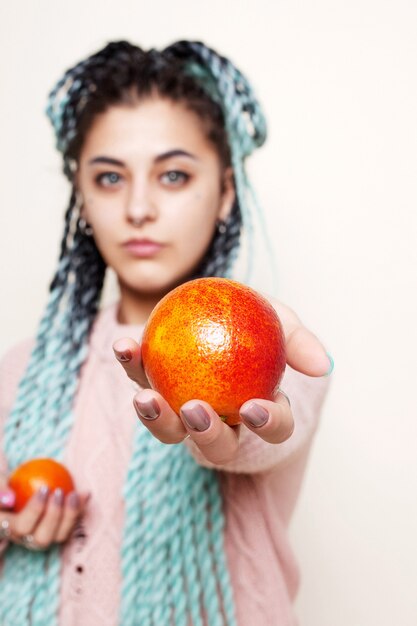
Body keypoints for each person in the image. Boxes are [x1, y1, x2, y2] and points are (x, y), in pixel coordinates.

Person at [0, 40, 333, 626]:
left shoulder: (282, 347)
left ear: (226, 191)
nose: (138, 207)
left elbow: (267, 430)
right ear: (83, 197)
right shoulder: (22, 374)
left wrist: (249, 379)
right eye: (108, 178)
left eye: (173, 175)